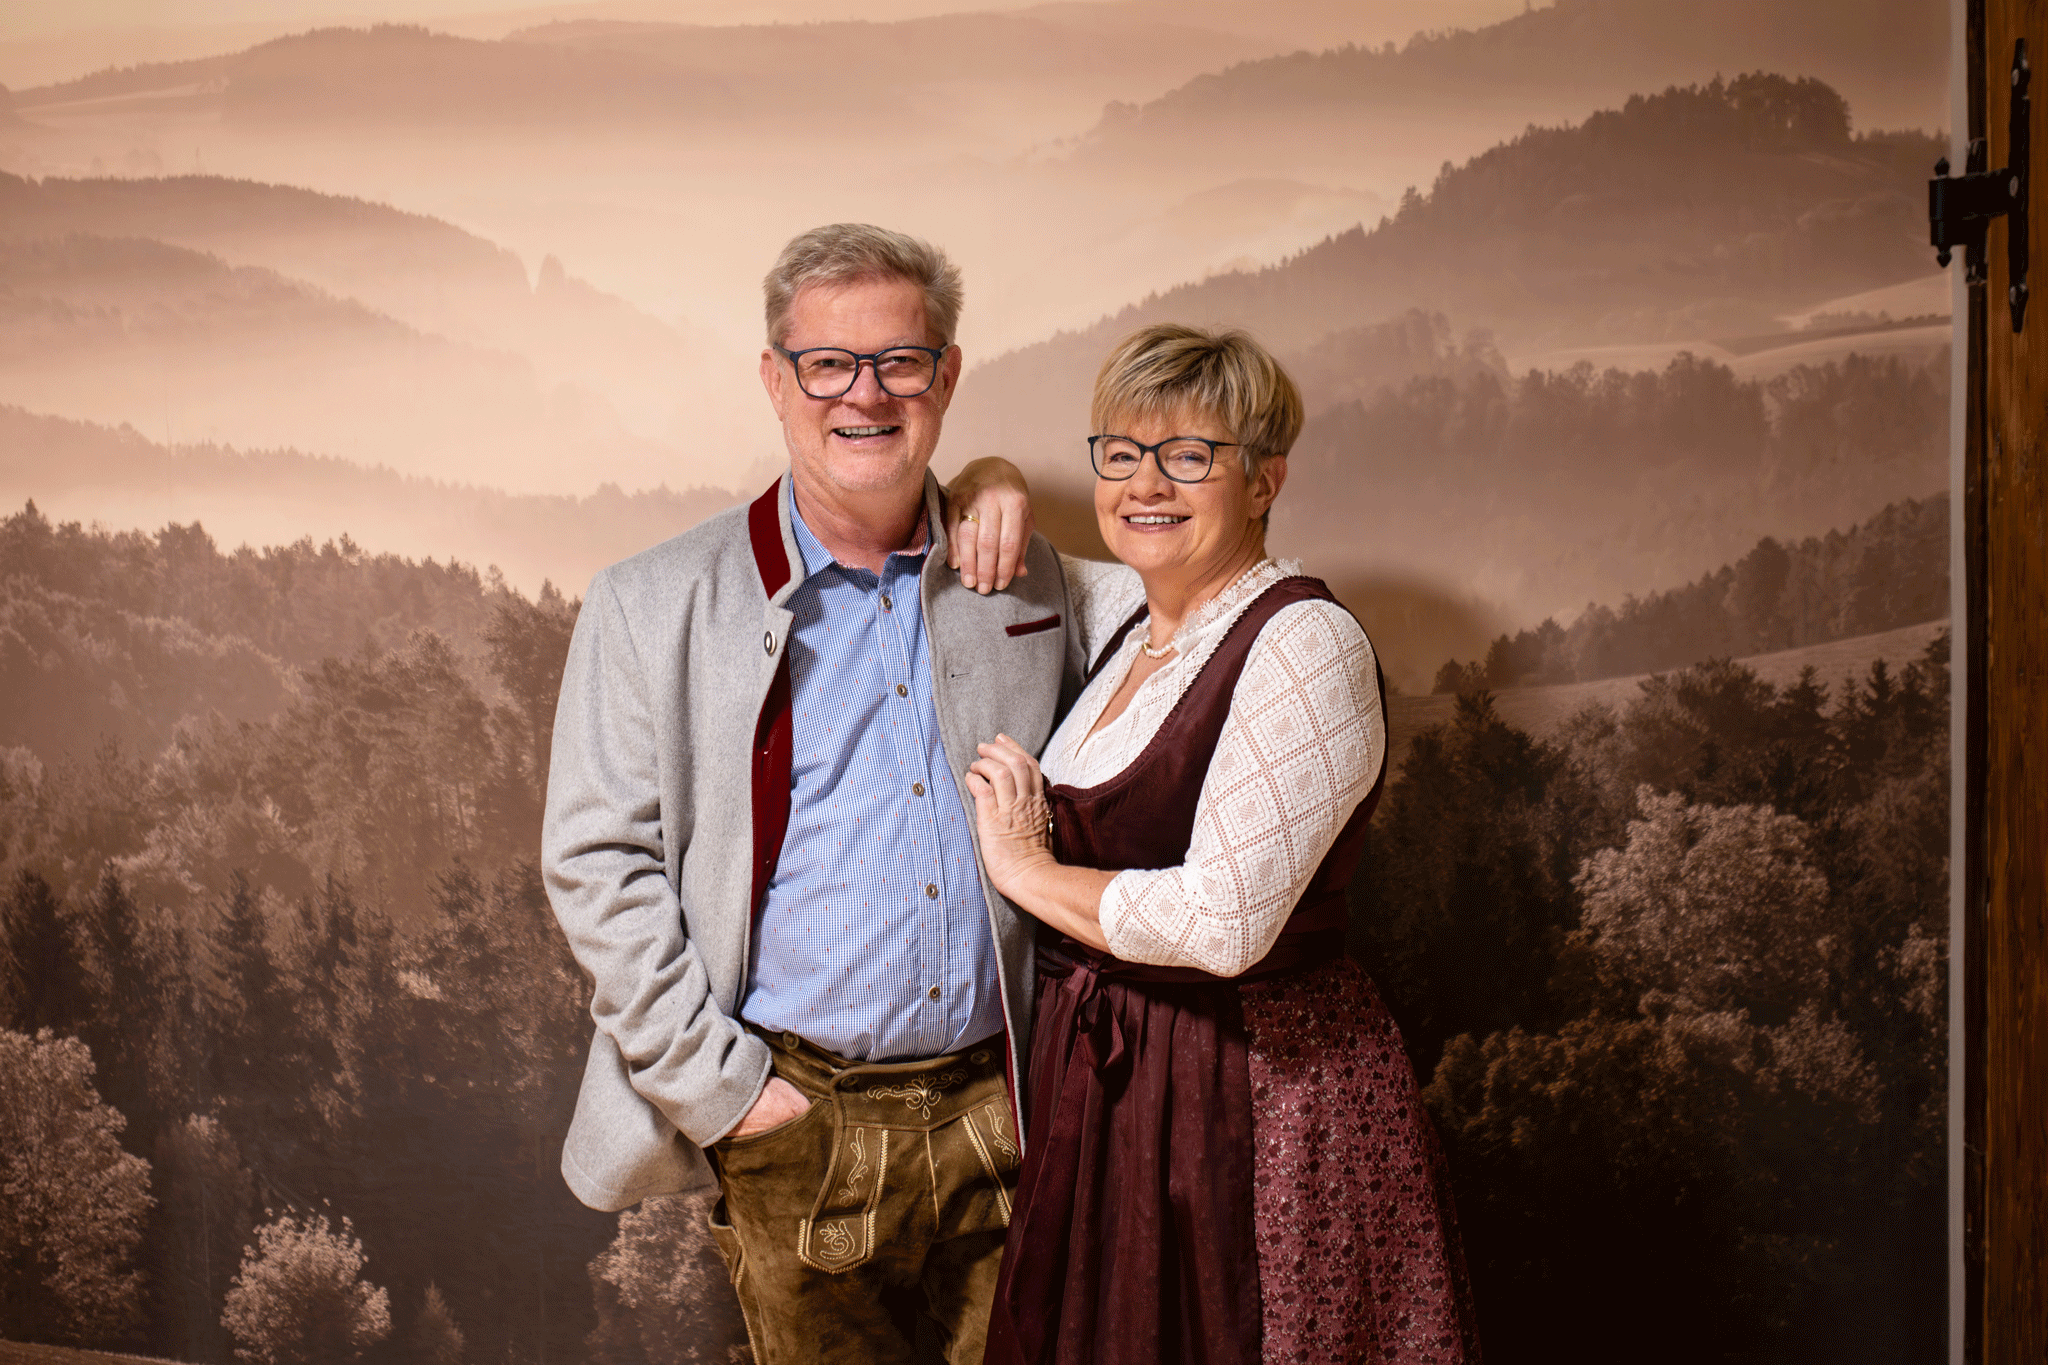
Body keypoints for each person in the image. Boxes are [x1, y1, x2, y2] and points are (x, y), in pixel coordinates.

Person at [543, 223, 1091, 1365]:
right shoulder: (649, 602)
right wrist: (725, 1095)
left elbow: (1172, 623)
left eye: (899, 361)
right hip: (796, 1120)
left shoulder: (1023, 573)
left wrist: (997, 484)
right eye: (827, 363)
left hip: (1009, 1112)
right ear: (771, 379)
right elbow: (598, 867)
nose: (865, 393)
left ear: (945, 379)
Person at [966, 324, 1481, 1364]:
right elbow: (992, 523)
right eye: (1119, 451)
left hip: (1252, 1097)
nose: (1143, 484)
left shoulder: (1303, 640)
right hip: (1112, 1091)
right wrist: (988, 476)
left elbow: (1223, 922)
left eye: (1188, 454)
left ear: (1265, 479)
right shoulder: (1130, 617)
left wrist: (1025, 869)